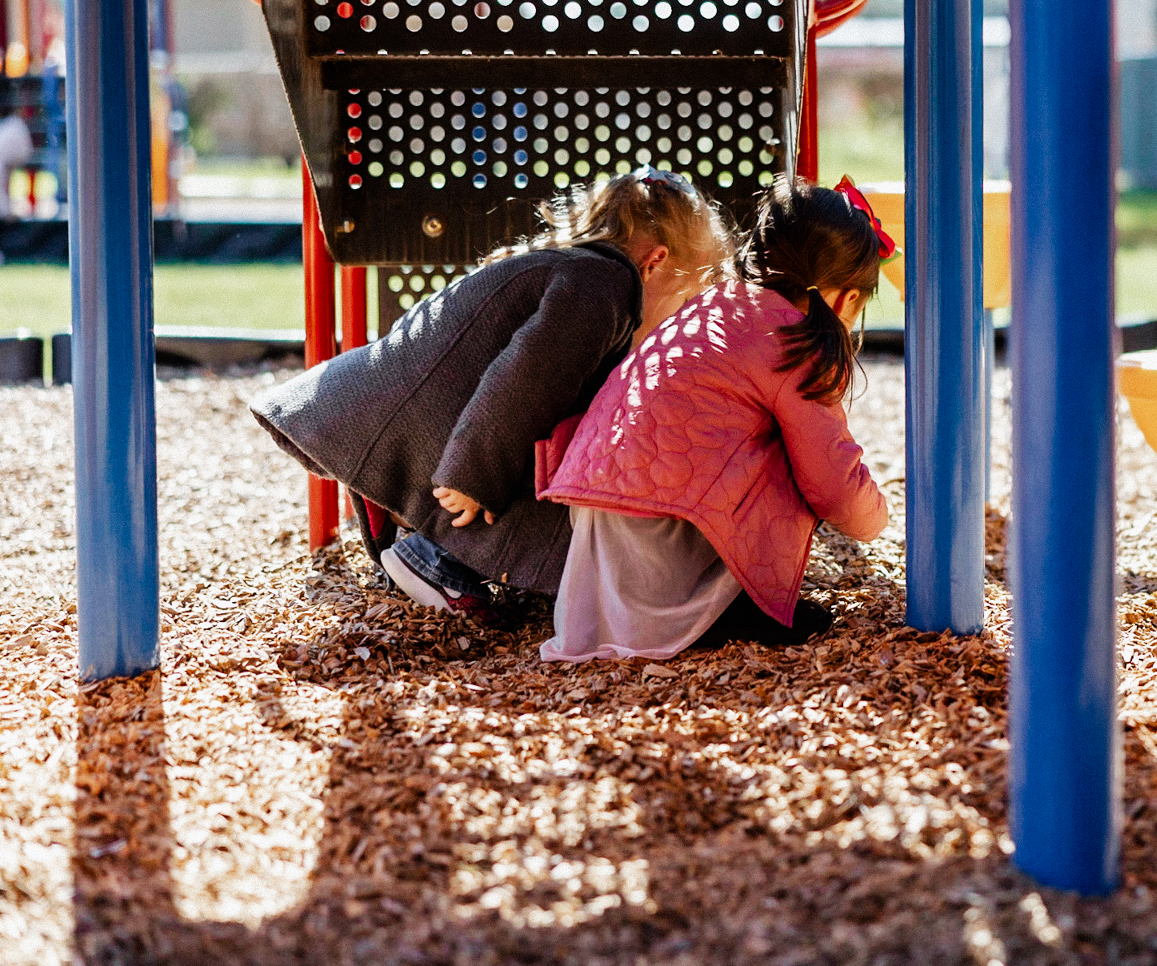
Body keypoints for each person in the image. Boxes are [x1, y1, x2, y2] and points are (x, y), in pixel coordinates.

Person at [251, 168, 732, 616]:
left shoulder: (573, 268)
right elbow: (528, 379)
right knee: (541, 504)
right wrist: (473, 475)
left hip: (387, 406)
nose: (674, 316)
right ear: (657, 262)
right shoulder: (603, 286)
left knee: (549, 460)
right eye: (683, 297)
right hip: (429, 427)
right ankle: (435, 559)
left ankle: (407, 520)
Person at [536, 177, 893, 659]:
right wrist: (879, 518)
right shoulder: (793, 340)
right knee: (794, 454)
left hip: (598, 524)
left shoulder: (709, 307)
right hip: (666, 543)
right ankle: (722, 612)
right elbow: (835, 487)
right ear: (848, 298)